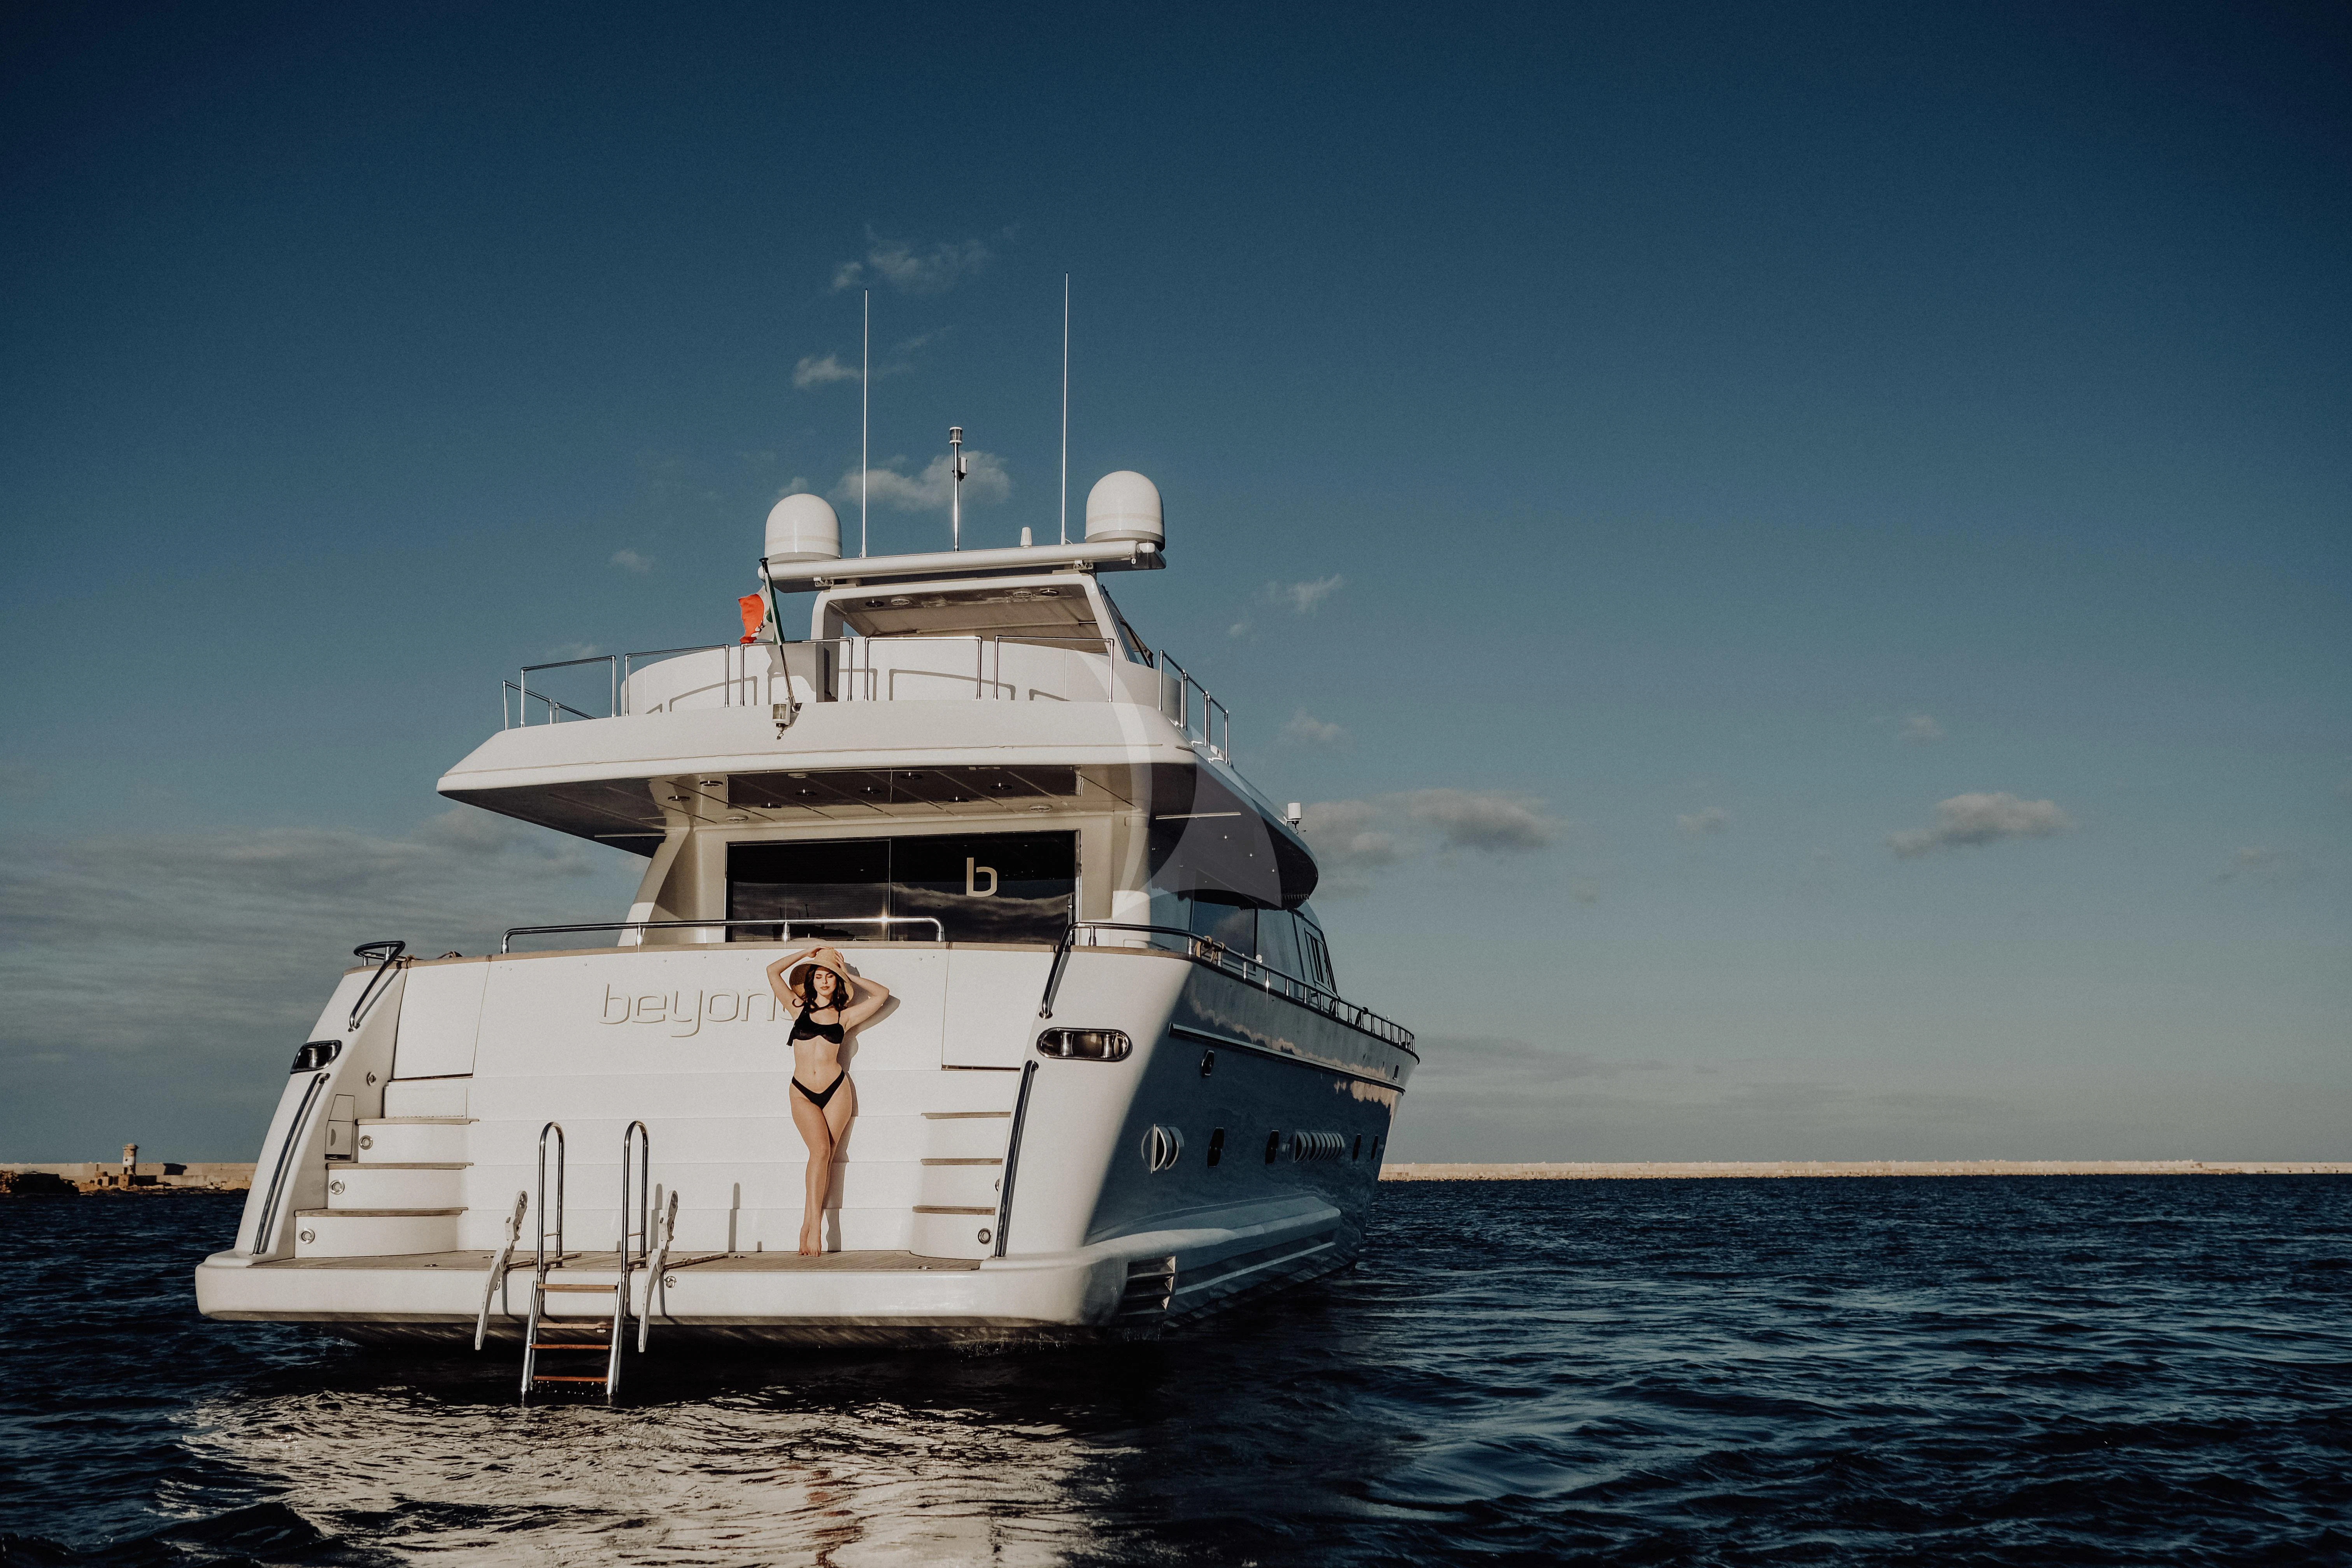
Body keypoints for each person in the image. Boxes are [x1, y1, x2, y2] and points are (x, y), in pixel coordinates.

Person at [764, 944, 890, 1255]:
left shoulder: (844, 1017)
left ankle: (809, 1224)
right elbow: (771, 971)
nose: (824, 981)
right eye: (819, 976)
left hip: (837, 1090)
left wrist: (847, 974)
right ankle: (815, 1227)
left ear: (836, 982)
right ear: (811, 980)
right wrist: (806, 953)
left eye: (829, 977)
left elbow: (883, 994)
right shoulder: (797, 1007)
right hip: (802, 1091)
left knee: (827, 1157)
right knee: (819, 1151)